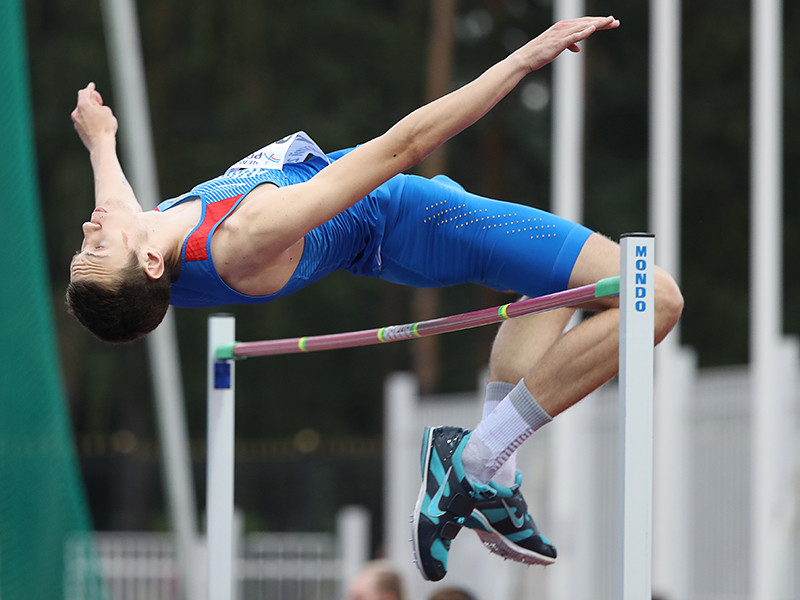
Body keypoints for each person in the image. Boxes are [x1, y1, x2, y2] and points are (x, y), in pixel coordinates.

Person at [67, 16, 683, 582]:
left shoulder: (148, 245)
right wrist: (524, 59)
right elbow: (402, 147)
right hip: (418, 218)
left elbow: (117, 208)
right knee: (651, 298)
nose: (91, 229)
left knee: (557, 288)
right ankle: (477, 459)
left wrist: (101, 139)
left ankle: (494, 475)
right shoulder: (243, 239)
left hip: (402, 231)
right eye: (96, 249)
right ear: (147, 263)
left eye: (84, 245)